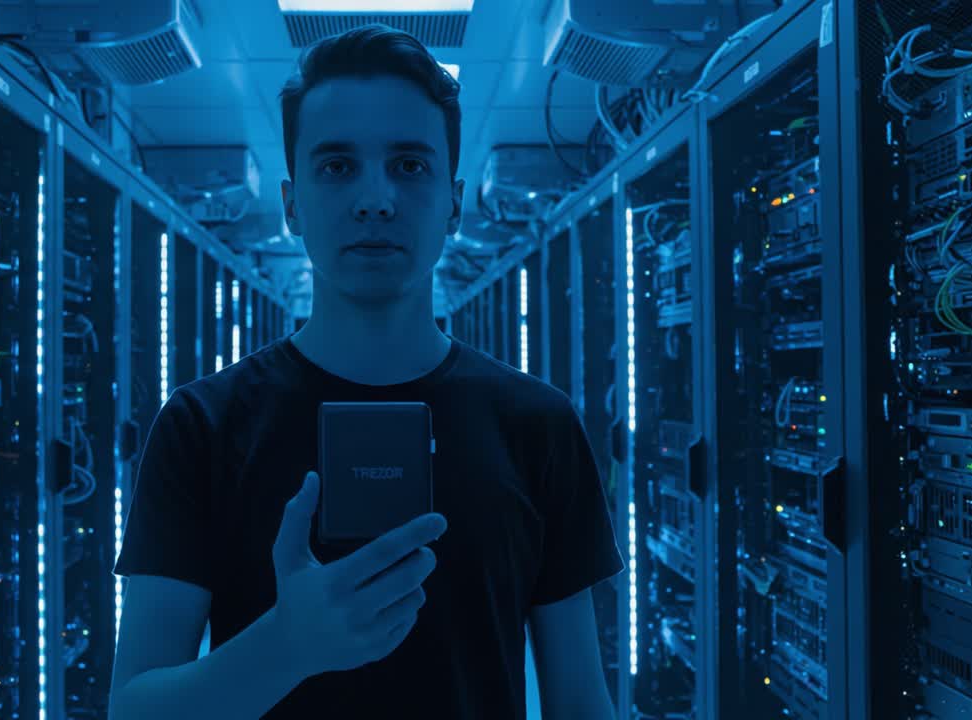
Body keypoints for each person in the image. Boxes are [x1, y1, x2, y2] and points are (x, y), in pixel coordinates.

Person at [109, 23, 624, 719]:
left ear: (452, 201)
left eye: (410, 165)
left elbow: (580, 704)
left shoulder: (539, 425)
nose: (375, 198)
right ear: (292, 205)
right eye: (337, 165)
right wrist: (286, 647)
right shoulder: (202, 427)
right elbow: (133, 709)